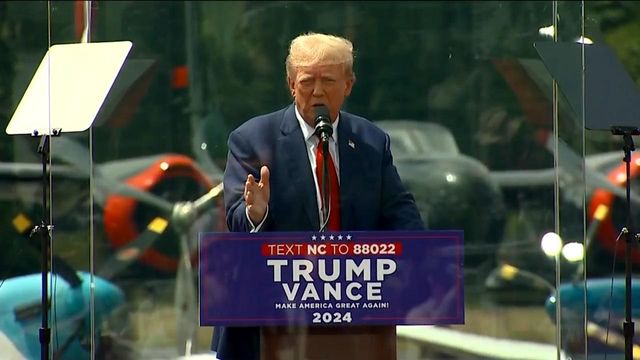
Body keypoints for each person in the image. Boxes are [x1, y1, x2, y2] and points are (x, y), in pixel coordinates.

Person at [212, 32, 424, 360]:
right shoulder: (252, 139)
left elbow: (399, 210)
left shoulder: (371, 140)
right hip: (270, 323)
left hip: (354, 321)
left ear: (349, 84)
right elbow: (238, 221)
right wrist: (257, 213)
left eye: (328, 80)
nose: (318, 91)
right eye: (307, 81)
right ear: (291, 84)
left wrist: (424, 258)